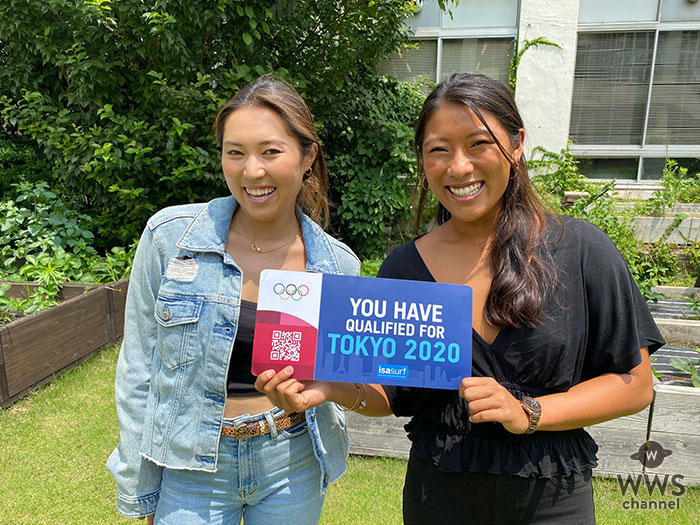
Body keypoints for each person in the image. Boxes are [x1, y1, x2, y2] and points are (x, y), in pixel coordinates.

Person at [256, 73, 665, 524]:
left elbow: (635, 384)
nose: (459, 167)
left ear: (516, 144)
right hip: (440, 495)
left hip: (552, 498)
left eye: (477, 144)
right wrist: (331, 388)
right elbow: (391, 394)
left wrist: (527, 411)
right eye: (439, 150)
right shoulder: (405, 268)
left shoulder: (583, 250)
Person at [107, 75, 360, 525]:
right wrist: (141, 486)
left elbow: (341, 382)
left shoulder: (339, 266)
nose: (251, 171)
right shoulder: (170, 238)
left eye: (270, 151)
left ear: (307, 157)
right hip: (190, 463)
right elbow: (138, 369)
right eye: (235, 152)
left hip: (291, 461)